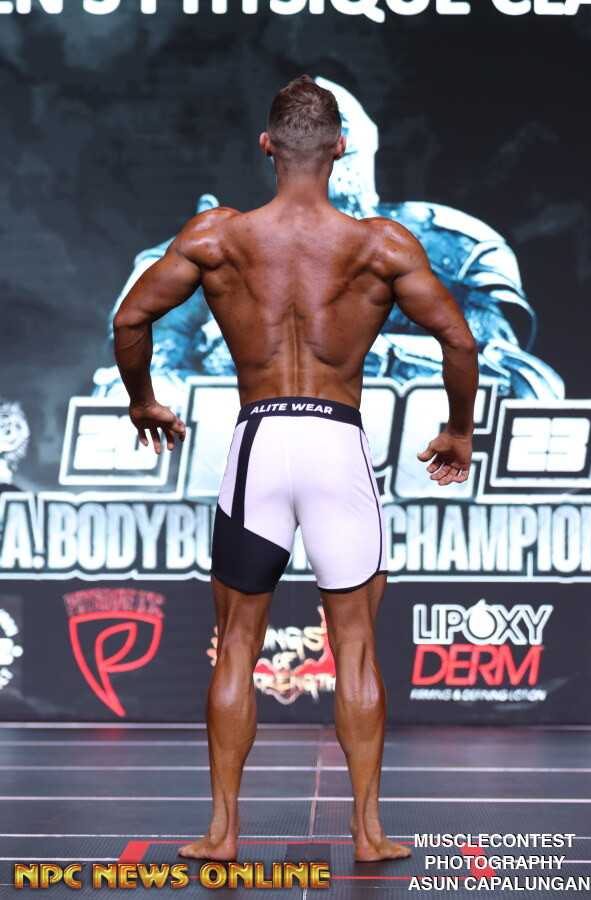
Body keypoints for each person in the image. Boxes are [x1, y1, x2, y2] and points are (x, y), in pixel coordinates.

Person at [112, 75, 479, 863]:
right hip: (336, 446)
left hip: (259, 445)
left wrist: (144, 402)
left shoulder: (219, 237)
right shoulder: (379, 245)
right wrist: (456, 430)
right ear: (341, 147)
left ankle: (221, 833)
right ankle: (369, 833)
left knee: (237, 643)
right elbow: (459, 339)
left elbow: (131, 318)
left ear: (267, 145)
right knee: (355, 648)